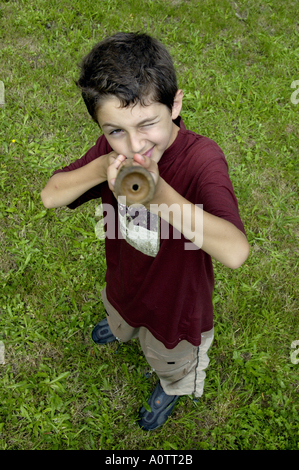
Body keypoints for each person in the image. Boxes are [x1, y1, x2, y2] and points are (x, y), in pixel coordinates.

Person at [40, 32, 250, 431]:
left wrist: (158, 197)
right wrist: (103, 168)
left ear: (175, 104)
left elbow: (236, 252)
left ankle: (172, 386)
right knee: (120, 317)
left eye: (148, 124)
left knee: (170, 360)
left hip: (176, 310)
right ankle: (122, 326)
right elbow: (51, 196)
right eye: (114, 130)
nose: (135, 145)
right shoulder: (111, 155)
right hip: (123, 284)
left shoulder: (202, 159)